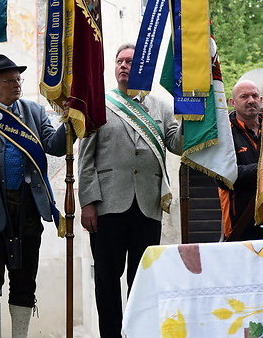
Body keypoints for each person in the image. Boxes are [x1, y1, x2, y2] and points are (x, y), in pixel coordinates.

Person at [0, 54, 71, 338]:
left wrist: (69, 121)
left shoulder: (34, 111)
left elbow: (55, 146)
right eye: (9, 80)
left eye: (18, 79)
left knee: (24, 280)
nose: (16, 84)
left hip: (29, 207)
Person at [78, 43, 182, 338]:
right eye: (119, 61)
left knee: (143, 279)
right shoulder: (100, 103)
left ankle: (141, 332)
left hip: (148, 204)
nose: (123, 66)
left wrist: (191, 112)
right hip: (108, 204)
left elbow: (177, 144)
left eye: (130, 61)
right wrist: (88, 202)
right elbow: (85, 159)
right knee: (107, 279)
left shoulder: (160, 106)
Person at [219, 79, 263, 241]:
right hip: (242, 222)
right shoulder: (223, 132)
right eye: (244, 96)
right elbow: (223, 177)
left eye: (255, 96)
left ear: (261, 100)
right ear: (232, 102)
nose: (251, 101)